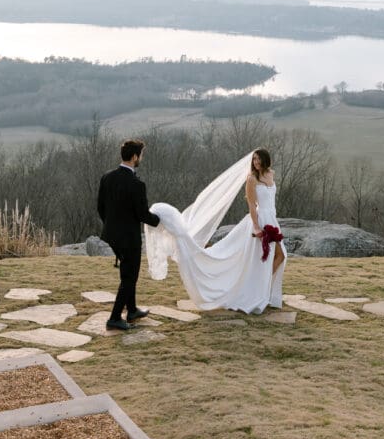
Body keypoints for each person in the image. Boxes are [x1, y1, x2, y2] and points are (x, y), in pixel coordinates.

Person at [145, 147, 286, 314]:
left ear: (265, 159)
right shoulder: (251, 179)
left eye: (258, 159)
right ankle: (256, 291)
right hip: (260, 221)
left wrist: (273, 221)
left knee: (279, 256)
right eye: (253, 159)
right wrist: (256, 226)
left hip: (272, 219)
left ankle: (260, 290)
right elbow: (251, 205)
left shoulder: (271, 175)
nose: (255, 162)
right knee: (267, 258)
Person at [97, 138, 161, 331]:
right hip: (129, 237)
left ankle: (132, 310)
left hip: (111, 234)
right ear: (134, 157)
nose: (141, 158)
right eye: (141, 155)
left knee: (128, 273)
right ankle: (115, 317)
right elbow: (143, 215)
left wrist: (111, 225)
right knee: (129, 277)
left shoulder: (107, 177)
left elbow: (100, 207)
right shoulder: (136, 184)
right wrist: (160, 220)